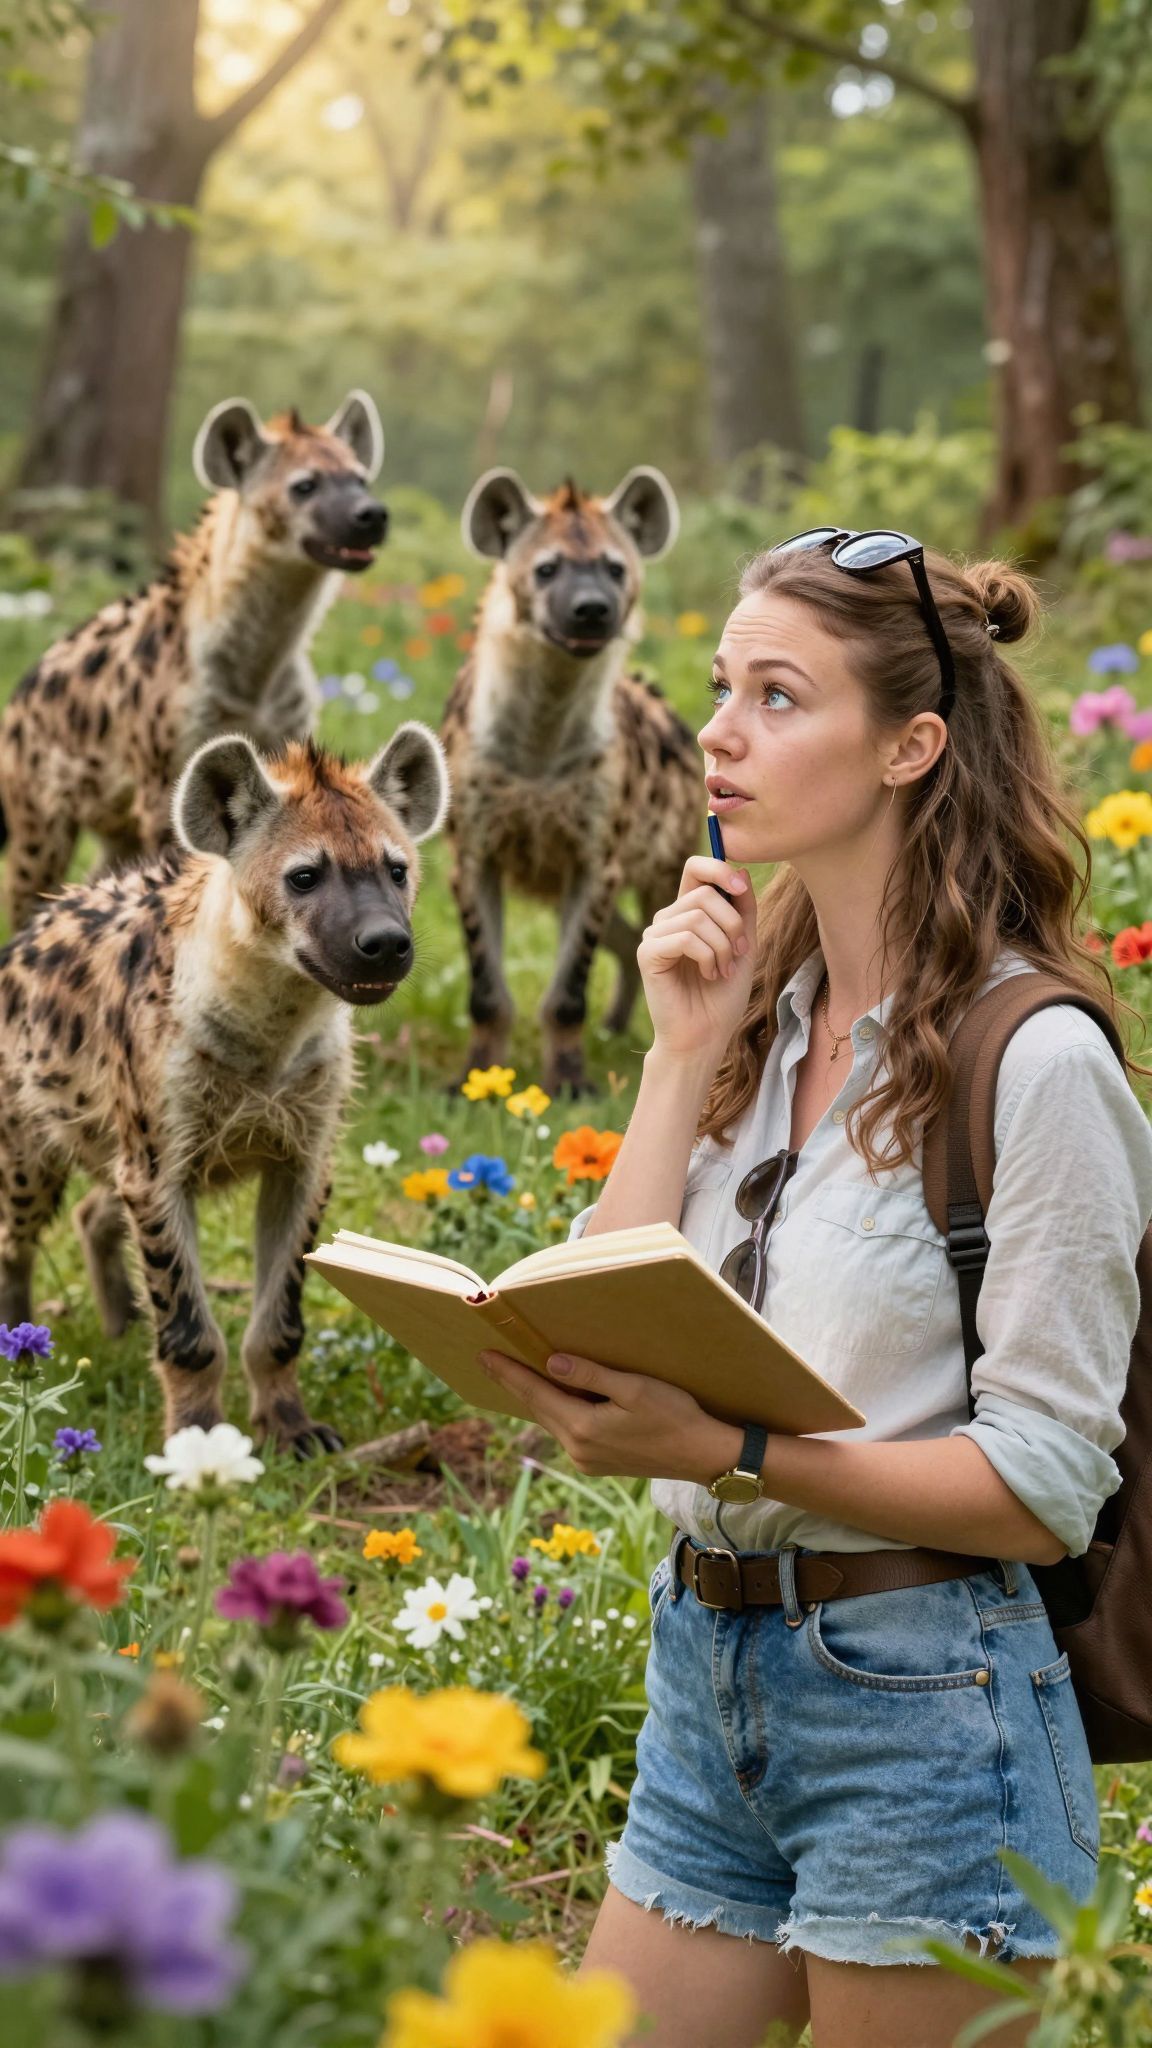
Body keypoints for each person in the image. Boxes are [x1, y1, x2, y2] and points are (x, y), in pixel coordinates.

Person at [475, 530, 1152, 2048]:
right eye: (723, 685)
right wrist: (677, 1056)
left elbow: (1045, 1485)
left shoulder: (1033, 1064)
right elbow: (594, 1307)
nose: (717, 730)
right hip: (708, 1681)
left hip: (926, 1709)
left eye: (778, 696)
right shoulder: (755, 1022)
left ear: (912, 745)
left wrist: (730, 1453)